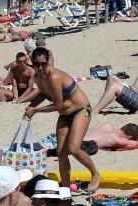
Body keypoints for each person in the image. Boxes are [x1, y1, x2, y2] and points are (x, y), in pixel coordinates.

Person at [25, 47, 100, 194]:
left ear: (48, 62)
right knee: (61, 153)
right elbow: (43, 94)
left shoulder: (54, 77)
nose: (40, 67)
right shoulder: (38, 77)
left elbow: (58, 104)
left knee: (74, 148)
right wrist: (31, 107)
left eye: (43, 64)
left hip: (81, 110)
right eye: (37, 64)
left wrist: (36, 110)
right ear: (32, 63)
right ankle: (65, 187)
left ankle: (95, 174)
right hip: (65, 114)